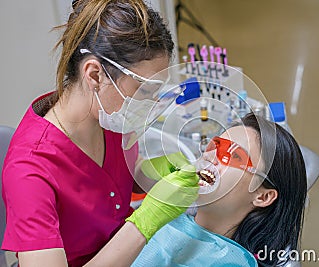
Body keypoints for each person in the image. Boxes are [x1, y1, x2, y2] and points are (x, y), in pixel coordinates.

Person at [1, 1, 198, 266]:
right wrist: (146, 221)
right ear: (94, 74)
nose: (151, 105)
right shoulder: (29, 169)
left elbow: (111, 181)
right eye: (145, 91)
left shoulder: (110, 117)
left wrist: (149, 174)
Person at [132, 113, 308, 266]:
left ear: (263, 197)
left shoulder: (231, 262)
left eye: (234, 155)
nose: (209, 156)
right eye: (215, 146)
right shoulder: (168, 217)